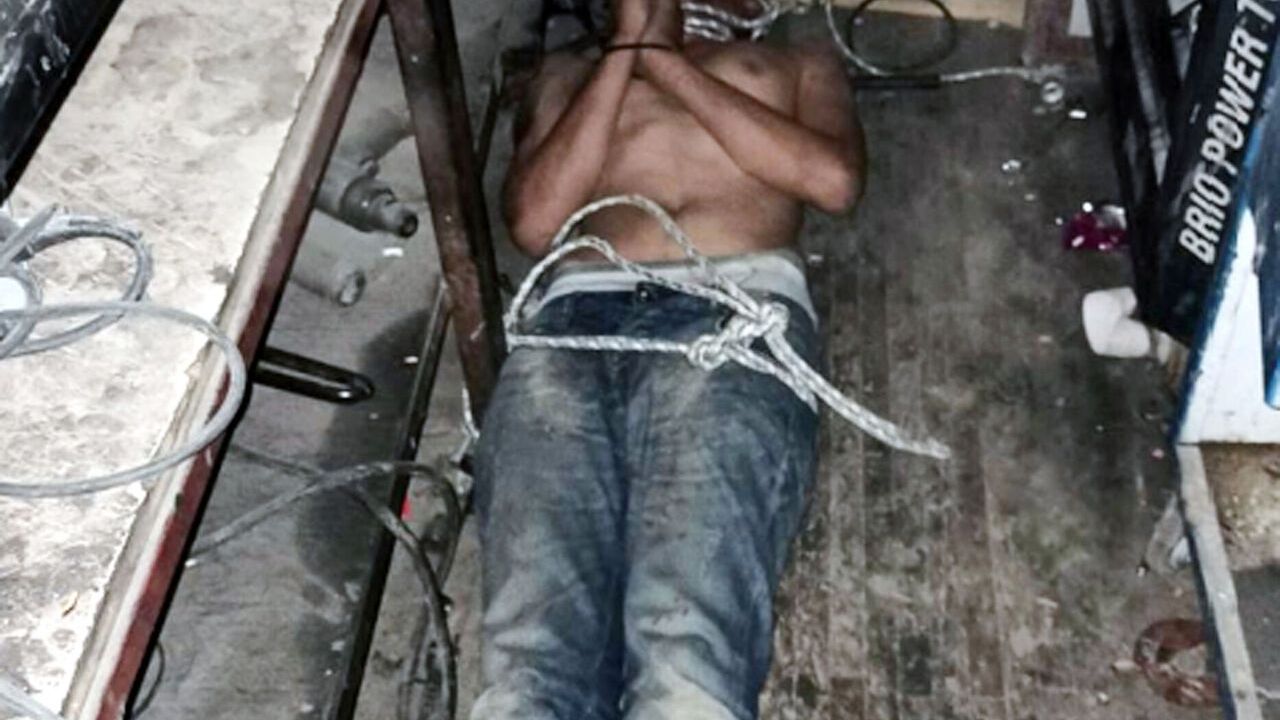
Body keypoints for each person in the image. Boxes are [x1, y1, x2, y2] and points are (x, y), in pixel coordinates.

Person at [471, 0, 865, 717]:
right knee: (529, 659)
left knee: (683, 646)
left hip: (730, 313)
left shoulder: (795, 62)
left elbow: (833, 181)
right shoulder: (569, 74)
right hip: (573, 321)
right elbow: (534, 221)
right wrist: (625, 52)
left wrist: (662, 62)